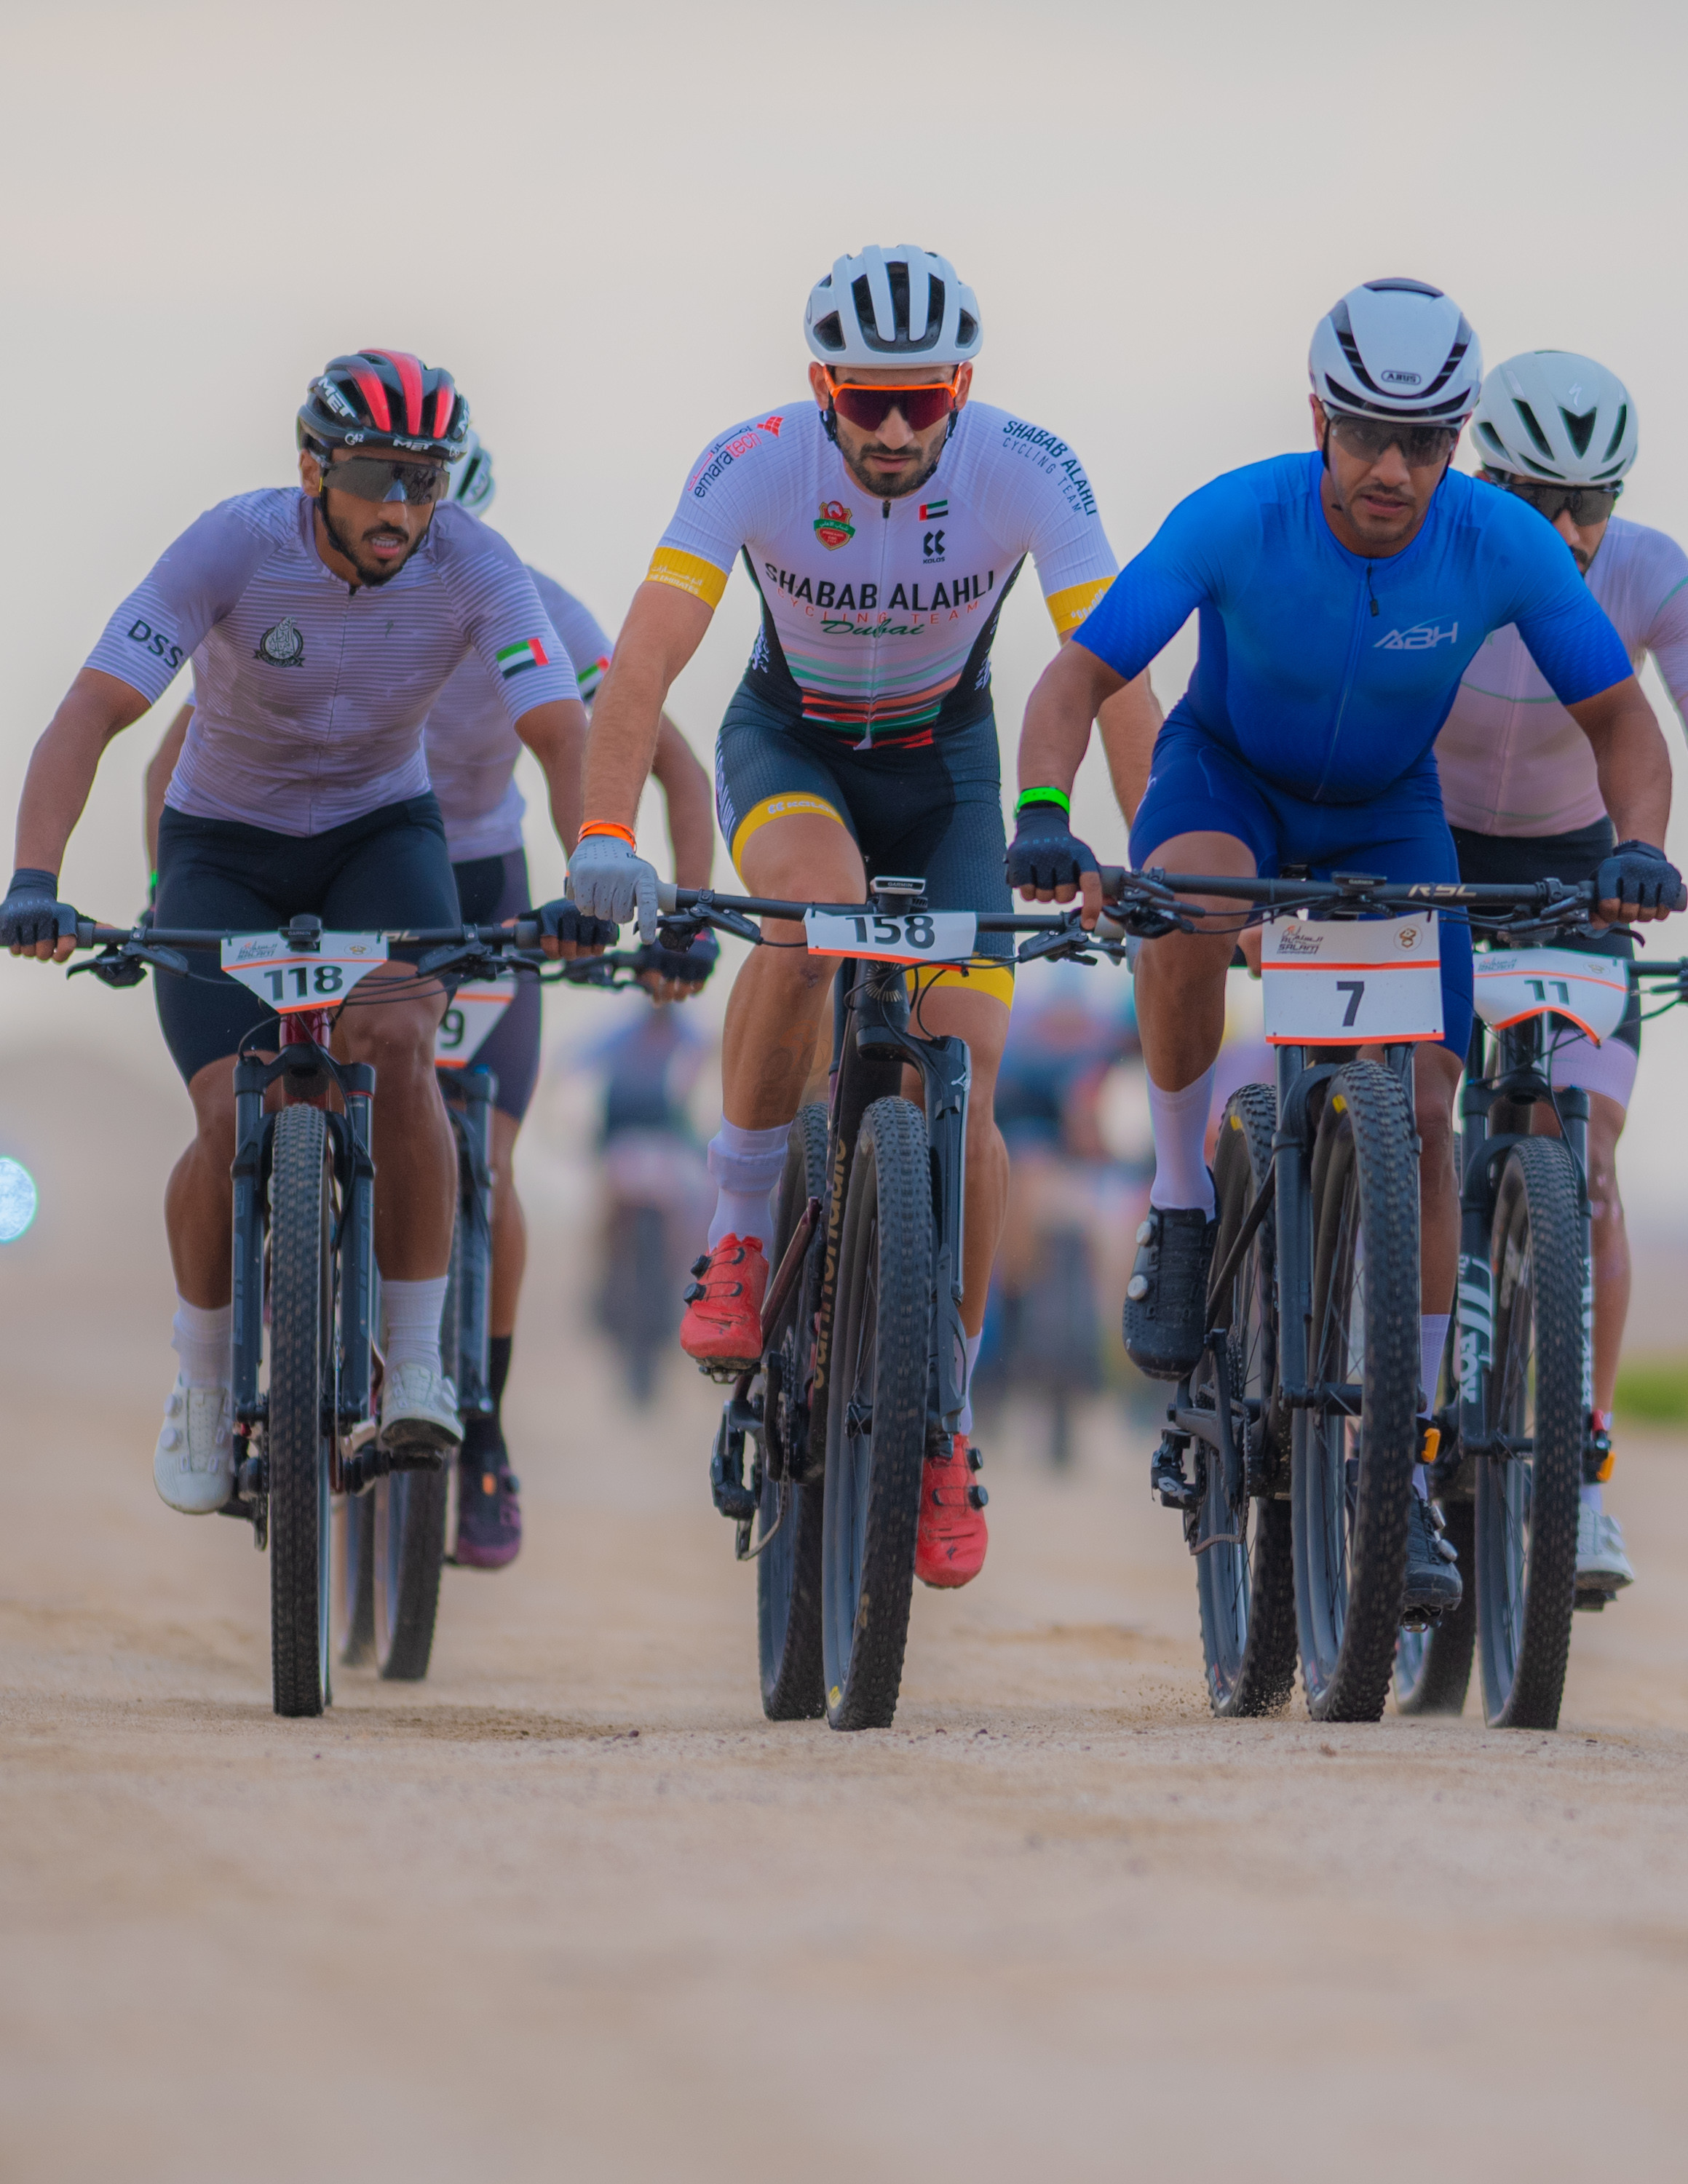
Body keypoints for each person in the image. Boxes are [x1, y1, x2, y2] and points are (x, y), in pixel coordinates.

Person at [1008, 277, 1683, 1619]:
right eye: (1369, 433)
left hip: (1388, 813)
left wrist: (1639, 843)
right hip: (1230, 779)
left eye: (1425, 441)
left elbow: (1623, 718)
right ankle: (1183, 1205)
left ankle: (1404, 1467)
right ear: (1319, 417)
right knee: (1190, 910)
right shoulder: (1238, 516)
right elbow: (1080, 674)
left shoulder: (1499, 539)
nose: (1393, 468)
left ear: (1456, 442)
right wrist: (1042, 816)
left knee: (1428, 1110)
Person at [566, 242, 1160, 1588]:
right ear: (820, 385)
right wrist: (605, 835)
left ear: (964, 390)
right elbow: (647, 652)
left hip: (946, 774)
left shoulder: (1028, 466)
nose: (893, 431)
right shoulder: (756, 460)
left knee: (972, 1083)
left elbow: (1116, 668)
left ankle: (944, 1420)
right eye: (866, 400)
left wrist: (1157, 847)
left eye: (923, 400)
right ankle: (738, 1230)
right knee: (815, 917)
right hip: (794, 749)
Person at [2, 349, 601, 1517]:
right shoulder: (232, 546)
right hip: (225, 848)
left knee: (400, 1045)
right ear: (314, 469)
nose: (401, 510)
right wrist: (35, 877)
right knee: (231, 1112)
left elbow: (561, 729)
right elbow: (92, 712)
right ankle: (201, 1381)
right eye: (377, 476)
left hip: (384, 833)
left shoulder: (473, 562)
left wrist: (596, 859)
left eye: (425, 481)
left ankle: (417, 1361)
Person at [138, 431, 718, 1560]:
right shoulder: (305, 601)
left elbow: (670, 765)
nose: (407, 545)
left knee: (483, 1154)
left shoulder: (530, 610)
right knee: (279, 1090)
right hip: (327, 869)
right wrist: (171, 905)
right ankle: (285, 1298)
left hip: (475, 884)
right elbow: (177, 758)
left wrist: (675, 911)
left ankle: (483, 1427)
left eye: (437, 517)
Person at [1436, 350, 1688, 1600]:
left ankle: (1580, 1478)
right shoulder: (1434, 550)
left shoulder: (1650, 570)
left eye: (1596, 501)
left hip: (1585, 866)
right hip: (1426, 850)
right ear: (1492, 482)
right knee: (1410, 1118)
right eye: (1545, 502)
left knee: (1585, 1161)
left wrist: (1647, 850)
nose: (1575, 533)